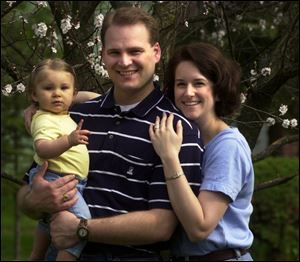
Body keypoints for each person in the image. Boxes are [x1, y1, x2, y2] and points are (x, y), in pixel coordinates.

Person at [17, 7, 204, 261]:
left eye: (135, 51)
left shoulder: (175, 129)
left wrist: (82, 229)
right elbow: (29, 189)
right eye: (115, 52)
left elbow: (162, 224)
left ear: (156, 52)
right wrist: (33, 200)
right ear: (103, 55)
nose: (125, 61)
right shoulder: (76, 116)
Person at [149, 42, 254, 261]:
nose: (188, 93)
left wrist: (169, 158)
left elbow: (199, 228)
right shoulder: (183, 137)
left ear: (217, 91)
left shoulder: (228, 146)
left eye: (199, 83)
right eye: (180, 84)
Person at [24, 58, 91, 261]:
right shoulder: (44, 118)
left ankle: (36, 256)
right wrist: (69, 140)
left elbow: (87, 96)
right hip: (56, 178)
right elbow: (42, 149)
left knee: (48, 220)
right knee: (80, 223)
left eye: (64, 88)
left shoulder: (61, 114)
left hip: (68, 179)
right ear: (34, 95)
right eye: (48, 88)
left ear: (73, 93)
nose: (57, 94)